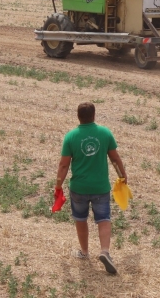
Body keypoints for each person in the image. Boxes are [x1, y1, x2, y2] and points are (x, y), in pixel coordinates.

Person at [54, 102, 127, 274]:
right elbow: (115, 159)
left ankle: (84, 252)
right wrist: (122, 176)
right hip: (100, 186)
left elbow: (63, 165)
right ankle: (105, 252)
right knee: (103, 219)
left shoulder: (71, 137)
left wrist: (58, 186)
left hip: (78, 188)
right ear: (94, 115)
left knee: (80, 219)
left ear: (78, 116)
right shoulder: (105, 133)